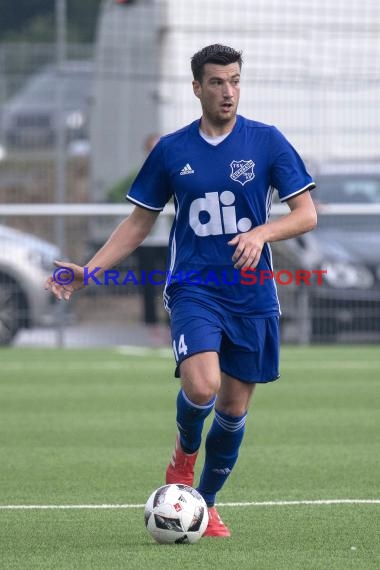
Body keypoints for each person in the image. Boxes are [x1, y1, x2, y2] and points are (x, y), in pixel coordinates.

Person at [45, 44, 317, 537]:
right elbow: (137, 223)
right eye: (217, 82)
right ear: (197, 88)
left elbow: (306, 214)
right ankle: (181, 462)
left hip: (253, 293)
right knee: (202, 386)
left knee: (234, 409)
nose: (227, 91)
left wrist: (260, 233)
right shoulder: (172, 150)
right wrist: (90, 270)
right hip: (194, 287)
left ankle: (203, 504)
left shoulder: (268, 142)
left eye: (234, 80)